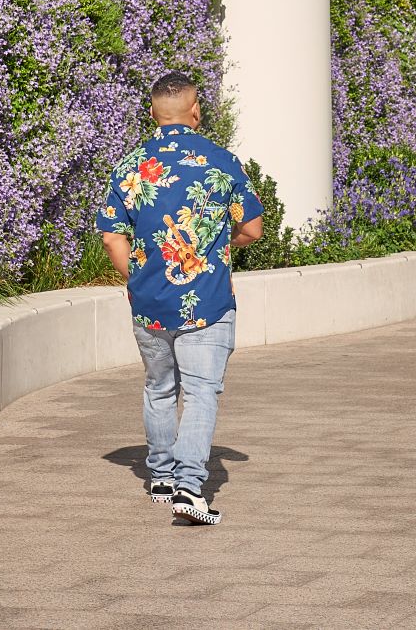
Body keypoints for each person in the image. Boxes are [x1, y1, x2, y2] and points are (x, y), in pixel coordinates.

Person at [95, 71, 264, 526]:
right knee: (202, 392)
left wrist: (141, 275)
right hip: (207, 301)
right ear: (196, 112)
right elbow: (251, 229)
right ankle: (190, 486)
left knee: (159, 387)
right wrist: (215, 244)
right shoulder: (222, 161)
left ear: (153, 113)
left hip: (149, 303)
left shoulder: (129, 166)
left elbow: (112, 236)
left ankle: (161, 477)